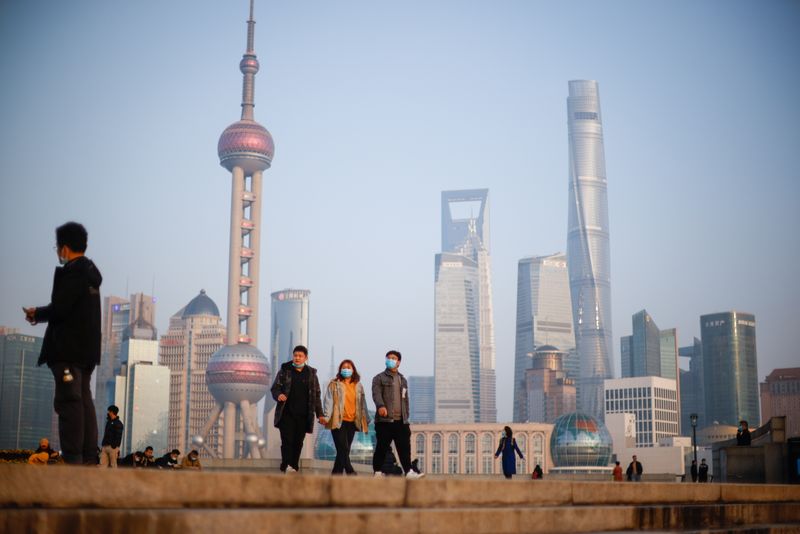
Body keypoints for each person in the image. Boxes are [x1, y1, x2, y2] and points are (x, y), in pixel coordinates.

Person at [24, 222, 102, 465]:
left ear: (65, 248)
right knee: (84, 402)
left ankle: (74, 463)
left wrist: (37, 314)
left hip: (68, 350)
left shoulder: (74, 272)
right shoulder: (90, 273)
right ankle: (88, 460)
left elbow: (61, 309)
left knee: (69, 403)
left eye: (58, 247)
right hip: (87, 352)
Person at [271, 345, 324, 474]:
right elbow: (275, 388)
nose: (297, 358)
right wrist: (279, 395)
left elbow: (316, 395)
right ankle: (286, 465)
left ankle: (293, 466)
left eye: (300, 356)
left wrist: (320, 414)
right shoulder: (285, 371)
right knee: (287, 441)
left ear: (306, 358)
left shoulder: (311, 374)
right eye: (295, 356)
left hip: (304, 415)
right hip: (286, 414)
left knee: (298, 442)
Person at [371, 350, 424, 479]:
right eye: (388, 358)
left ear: (399, 362)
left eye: (393, 358)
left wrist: (407, 415)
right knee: (382, 447)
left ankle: (408, 472)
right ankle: (377, 472)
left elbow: (405, 399)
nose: (391, 360)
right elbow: (376, 394)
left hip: (401, 421)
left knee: (404, 448)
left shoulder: (403, 380)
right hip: (384, 420)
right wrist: (380, 406)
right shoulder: (379, 378)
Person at [321, 359, 370, 475]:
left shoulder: (358, 385)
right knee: (343, 448)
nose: (346, 369)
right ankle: (350, 470)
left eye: (349, 367)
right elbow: (328, 401)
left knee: (343, 450)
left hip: (352, 422)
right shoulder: (334, 384)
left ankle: (336, 474)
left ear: (353, 370)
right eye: (344, 367)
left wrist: (366, 419)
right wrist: (326, 417)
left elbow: (363, 403)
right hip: (338, 421)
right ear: (340, 370)